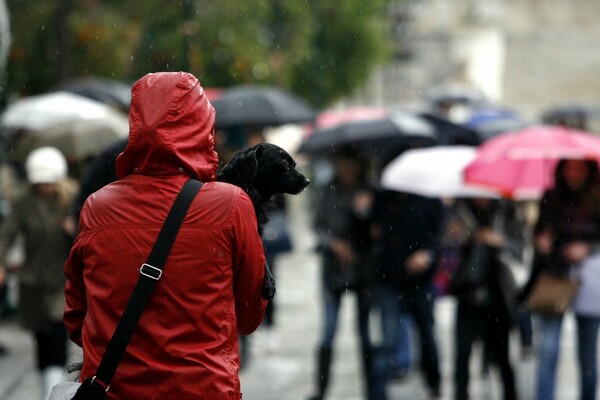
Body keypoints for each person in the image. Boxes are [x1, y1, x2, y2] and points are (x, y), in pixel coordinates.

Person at [63, 71, 268, 399]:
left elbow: (76, 319)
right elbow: (249, 315)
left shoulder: (96, 208)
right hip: (202, 390)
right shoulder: (230, 205)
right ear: (204, 126)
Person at [519, 158, 600, 400]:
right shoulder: (551, 197)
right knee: (548, 349)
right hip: (555, 276)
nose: (573, 174)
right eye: (569, 168)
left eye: (579, 168)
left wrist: (588, 247)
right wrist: (541, 240)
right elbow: (539, 231)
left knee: (586, 352)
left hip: (589, 278)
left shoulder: (597, 198)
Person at [0, 146, 77, 399]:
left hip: (62, 281)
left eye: (49, 182)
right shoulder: (25, 205)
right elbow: (6, 235)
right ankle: (48, 386)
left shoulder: (71, 200)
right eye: (40, 183)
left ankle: (52, 391)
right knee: (42, 339)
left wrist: (73, 228)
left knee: (57, 334)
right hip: (33, 283)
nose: (45, 188)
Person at [307, 148, 376, 400]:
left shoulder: (368, 190)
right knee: (328, 331)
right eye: (343, 166)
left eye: (351, 167)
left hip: (362, 269)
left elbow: (375, 231)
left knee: (366, 333)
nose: (347, 172)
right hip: (332, 270)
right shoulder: (328, 190)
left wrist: (363, 213)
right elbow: (317, 224)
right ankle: (321, 389)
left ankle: (373, 389)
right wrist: (334, 244)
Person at [443, 197, 525, 400]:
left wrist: (498, 240)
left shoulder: (508, 211)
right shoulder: (459, 211)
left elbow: (520, 248)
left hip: (498, 293)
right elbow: (444, 250)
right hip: (467, 291)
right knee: (462, 354)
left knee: (502, 356)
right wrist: (457, 236)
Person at [369, 188, 444, 399]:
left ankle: (434, 382)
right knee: (387, 341)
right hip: (389, 280)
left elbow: (439, 238)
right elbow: (372, 234)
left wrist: (427, 255)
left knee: (427, 336)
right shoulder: (383, 198)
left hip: (420, 282)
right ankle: (377, 393)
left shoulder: (429, 198)